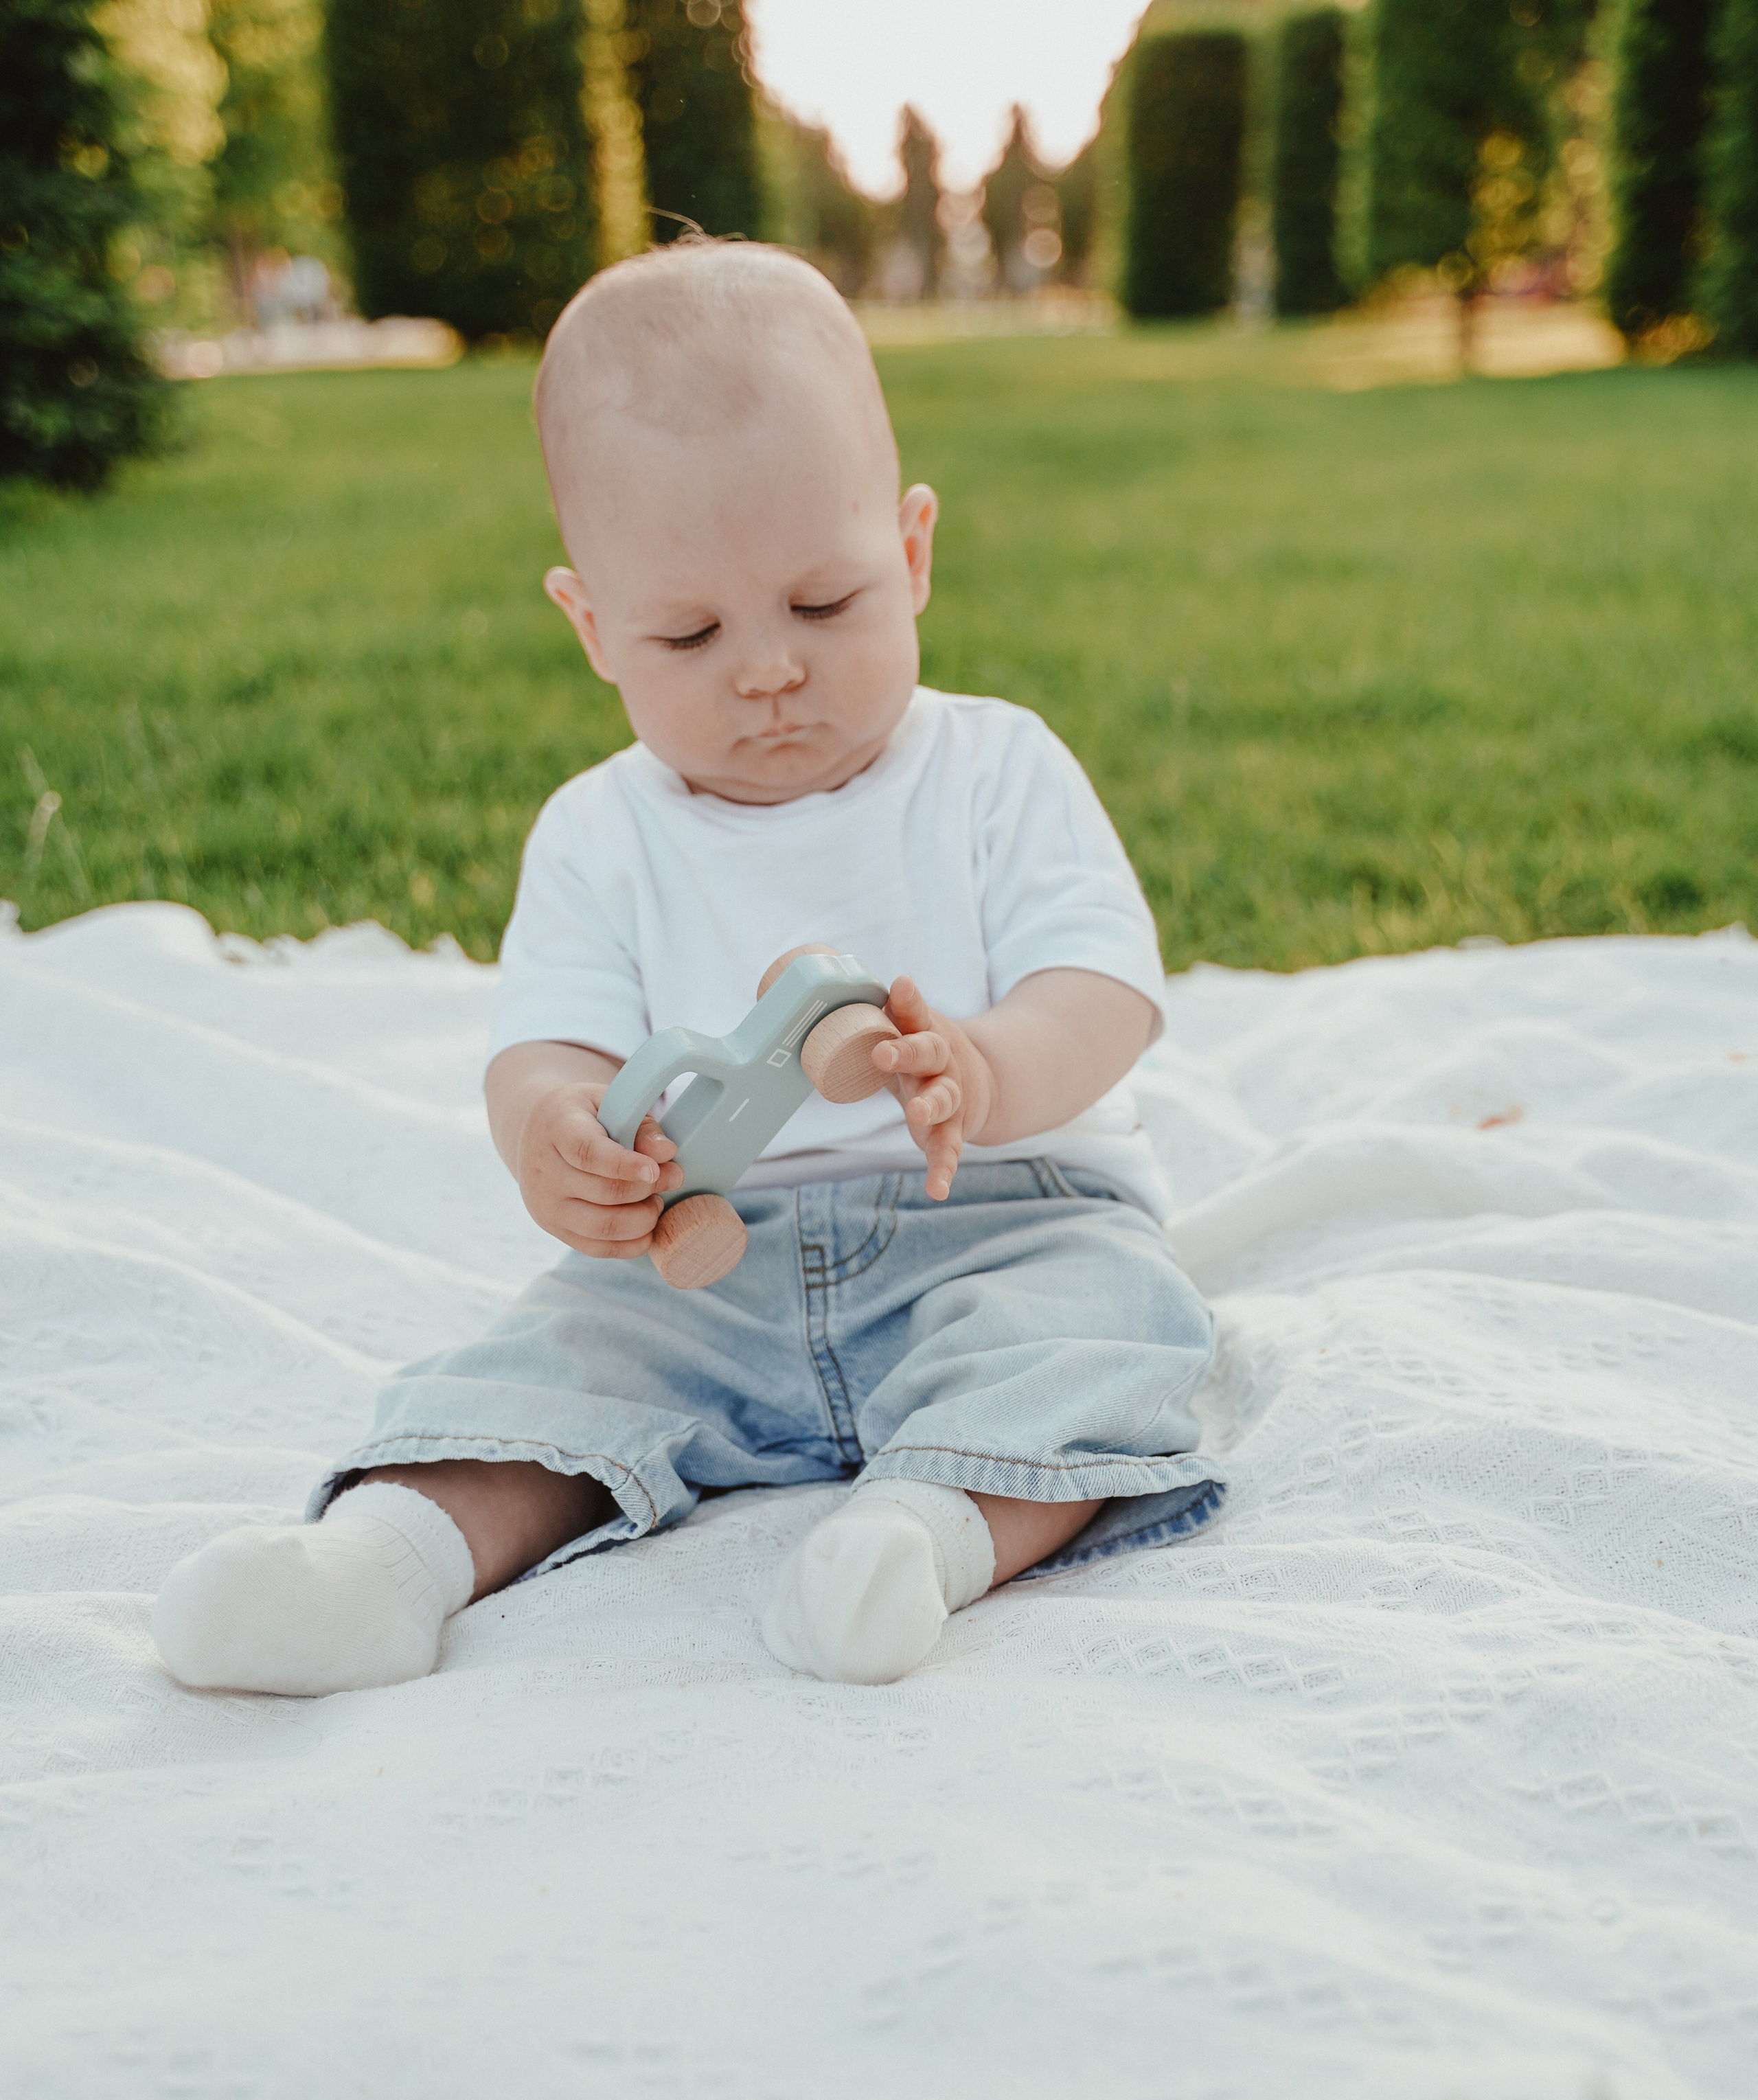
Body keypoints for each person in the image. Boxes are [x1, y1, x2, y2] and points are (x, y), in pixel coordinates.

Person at [152, 240, 1222, 1696]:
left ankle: (922, 1542)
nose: (767, 667)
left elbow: (1101, 989)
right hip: (696, 1262)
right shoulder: (601, 833)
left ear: (910, 554)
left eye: (825, 603)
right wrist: (557, 1144)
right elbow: (549, 1053)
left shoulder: (992, 770)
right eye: (690, 630)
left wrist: (984, 1065)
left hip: (995, 1216)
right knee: (543, 1369)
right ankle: (381, 1565)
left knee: (1101, 1338)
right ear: (594, 627)